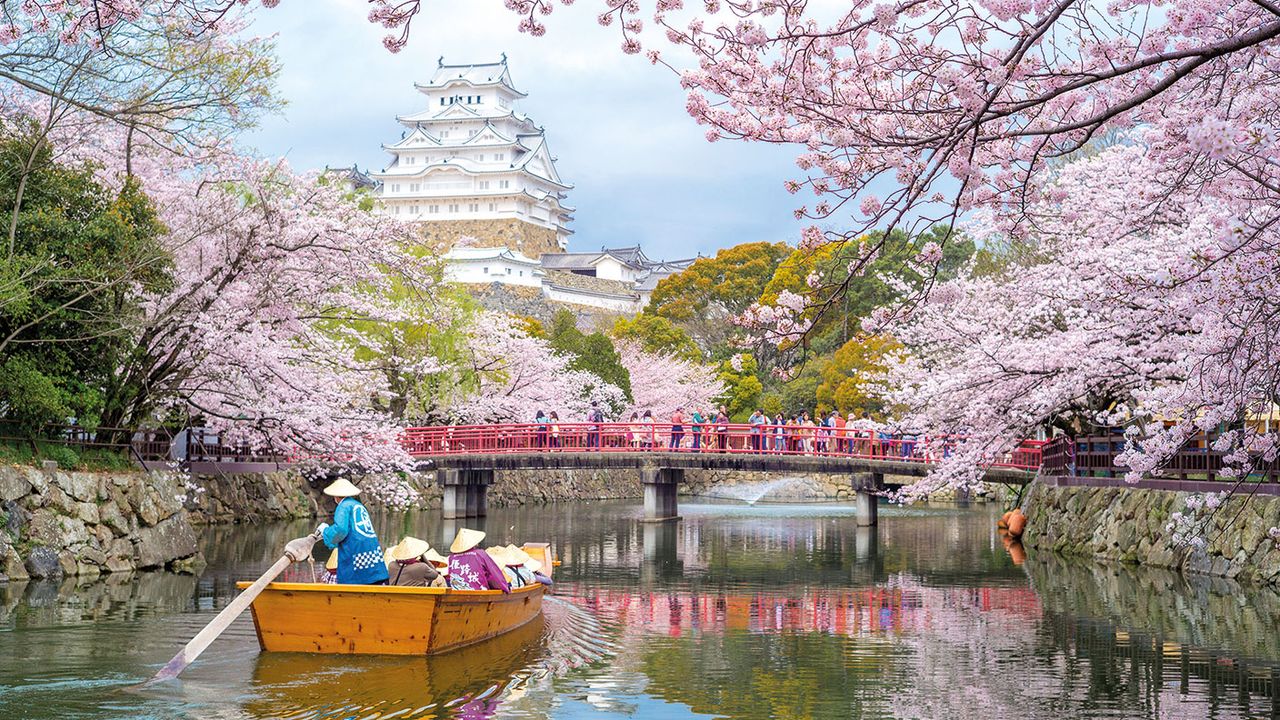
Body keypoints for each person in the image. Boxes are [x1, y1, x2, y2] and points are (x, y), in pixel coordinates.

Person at [317, 478, 389, 586]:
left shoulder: (343, 506)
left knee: (356, 577)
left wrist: (325, 531)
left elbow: (340, 530)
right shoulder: (359, 505)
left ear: (336, 496)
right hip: (371, 548)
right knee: (373, 574)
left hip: (355, 547)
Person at [447, 528, 510, 592]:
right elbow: (494, 573)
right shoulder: (480, 554)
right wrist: (504, 587)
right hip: (479, 592)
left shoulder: (451, 558)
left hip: (456, 593)